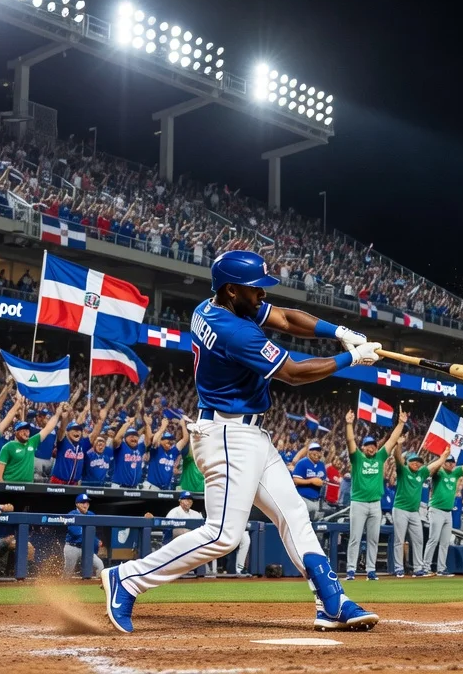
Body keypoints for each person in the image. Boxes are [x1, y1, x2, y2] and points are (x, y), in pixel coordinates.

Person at [103, 250, 383, 633]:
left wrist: (338, 332)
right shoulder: (235, 330)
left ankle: (331, 602)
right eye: (256, 290)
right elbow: (294, 373)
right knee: (223, 535)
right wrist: (350, 359)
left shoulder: (215, 304)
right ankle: (128, 578)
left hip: (248, 434)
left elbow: (285, 318)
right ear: (232, 290)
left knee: (294, 516)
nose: (263, 296)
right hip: (228, 435)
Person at [344, 411, 406, 580]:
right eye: (368, 445)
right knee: (355, 538)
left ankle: (370, 570)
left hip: (375, 504)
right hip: (358, 503)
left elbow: (392, 441)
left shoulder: (379, 457)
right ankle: (351, 570)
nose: (371, 447)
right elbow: (350, 441)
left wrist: (400, 423)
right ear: (363, 447)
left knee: (373, 539)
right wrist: (349, 424)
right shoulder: (357, 458)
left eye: (373, 445)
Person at [422, 444, 463, 576]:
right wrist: (442, 458)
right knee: (433, 539)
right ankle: (425, 567)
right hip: (436, 509)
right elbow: (430, 470)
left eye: (452, 462)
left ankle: (441, 569)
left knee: (445, 542)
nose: (451, 464)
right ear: (444, 463)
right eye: (449, 462)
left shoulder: (456, 473)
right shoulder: (439, 472)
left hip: (448, 512)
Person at [391, 447, 429, 577]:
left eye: (419, 462)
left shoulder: (421, 474)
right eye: (414, 461)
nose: (417, 463)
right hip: (400, 509)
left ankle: (418, 568)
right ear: (407, 461)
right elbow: (397, 457)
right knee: (399, 540)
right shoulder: (403, 470)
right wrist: (399, 445)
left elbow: (433, 466)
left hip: (414, 512)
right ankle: (398, 568)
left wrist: (444, 456)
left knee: (418, 539)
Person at [0, 407, 62, 483]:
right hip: (11, 486)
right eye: (22, 430)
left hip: (28, 486)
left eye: (27, 430)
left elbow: (48, 428)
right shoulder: (8, 447)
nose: (26, 432)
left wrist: (57, 414)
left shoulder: (32, 442)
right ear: (16, 432)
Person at [63, 493, 105, 578]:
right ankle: (61, 589)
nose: (85, 505)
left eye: (87, 503)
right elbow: (77, 533)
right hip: (72, 547)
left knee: (100, 566)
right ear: (77, 504)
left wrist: (96, 540)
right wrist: (94, 540)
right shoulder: (71, 514)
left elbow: (91, 533)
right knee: (68, 572)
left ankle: (96, 588)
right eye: (83, 503)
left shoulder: (91, 515)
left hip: (86, 548)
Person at [291, 442, 328, 519]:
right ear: (309, 452)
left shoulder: (321, 465)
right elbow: (295, 480)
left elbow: (322, 481)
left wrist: (323, 482)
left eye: (319, 451)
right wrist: (311, 481)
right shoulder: (302, 463)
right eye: (315, 451)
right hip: (303, 499)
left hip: (317, 501)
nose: (318, 453)